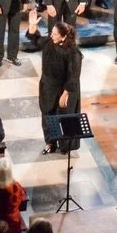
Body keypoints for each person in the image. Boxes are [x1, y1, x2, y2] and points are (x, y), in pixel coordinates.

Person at [38, 22, 83, 155]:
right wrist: (32, 26)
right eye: (51, 32)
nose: (51, 35)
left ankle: (66, 146)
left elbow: (74, 76)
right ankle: (50, 142)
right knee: (48, 115)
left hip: (64, 89)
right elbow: (37, 41)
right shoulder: (49, 42)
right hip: (48, 87)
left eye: (55, 34)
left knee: (65, 117)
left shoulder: (73, 53)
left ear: (63, 37)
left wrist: (66, 93)